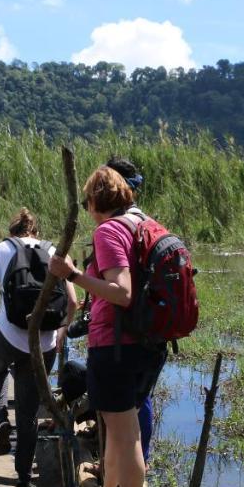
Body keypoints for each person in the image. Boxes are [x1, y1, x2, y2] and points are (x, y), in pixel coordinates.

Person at [48, 167, 167, 487]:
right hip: (145, 344)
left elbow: (122, 291)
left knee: (126, 435)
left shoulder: (108, 230)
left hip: (117, 348)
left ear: (97, 201)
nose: (86, 209)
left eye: (87, 202)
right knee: (116, 431)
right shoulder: (141, 225)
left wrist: (72, 276)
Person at [0, 208, 77, 487]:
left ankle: (0, 415)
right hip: (43, 344)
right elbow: (73, 303)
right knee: (29, 415)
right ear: (35, 232)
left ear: (12, 230)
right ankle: (23, 481)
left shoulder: (0, 250)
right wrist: (60, 335)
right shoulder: (55, 250)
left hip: (7, 336)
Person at [105, 156, 155, 462]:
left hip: (122, 330)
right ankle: (142, 460)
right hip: (152, 327)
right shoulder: (147, 222)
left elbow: (121, 291)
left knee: (118, 410)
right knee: (142, 398)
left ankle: (116, 478)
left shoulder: (113, 228)